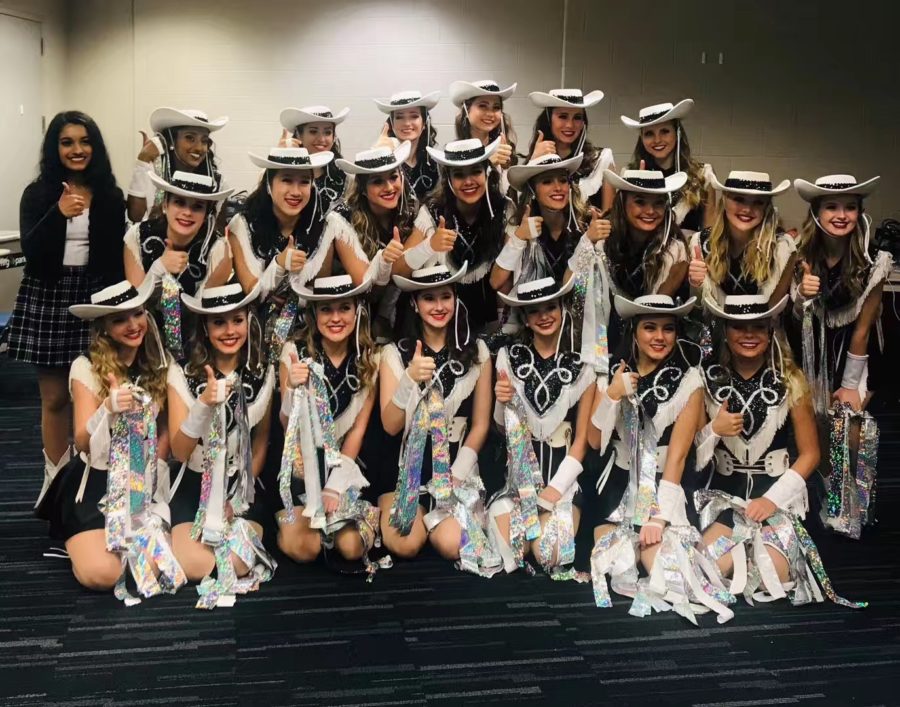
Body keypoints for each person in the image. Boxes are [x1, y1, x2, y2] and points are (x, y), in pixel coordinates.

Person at [693, 294, 864, 610]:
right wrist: (713, 430)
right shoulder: (707, 380)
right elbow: (693, 454)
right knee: (708, 571)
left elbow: (811, 454)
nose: (749, 336)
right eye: (739, 328)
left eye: (758, 327)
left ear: (771, 331)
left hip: (777, 503)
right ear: (726, 331)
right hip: (725, 500)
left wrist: (771, 499)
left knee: (774, 577)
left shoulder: (790, 380)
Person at [586, 294, 733, 621]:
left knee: (665, 574)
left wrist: (658, 517)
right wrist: (612, 395)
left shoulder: (689, 379)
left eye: (668, 329)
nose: (659, 337)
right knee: (614, 565)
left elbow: (680, 456)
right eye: (649, 327)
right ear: (634, 331)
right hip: (620, 489)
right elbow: (594, 440)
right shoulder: (612, 372)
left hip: (664, 488)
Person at [36, 280, 185, 601]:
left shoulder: (162, 364)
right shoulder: (86, 367)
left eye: (138, 314)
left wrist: (153, 474)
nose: (133, 325)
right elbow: (83, 441)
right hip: (96, 480)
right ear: (103, 327)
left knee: (150, 568)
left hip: (142, 484)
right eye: (120, 319)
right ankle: (78, 542)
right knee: (103, 576)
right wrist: (107, 410)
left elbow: (165, 430)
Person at [9, 111, 126, 506]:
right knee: (56, 398)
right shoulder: (37, 194)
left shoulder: (110, 195)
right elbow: (34, 253)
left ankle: (90, 475)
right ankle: (55, 478)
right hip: (50, 293)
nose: (77, 149)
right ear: (55, 148)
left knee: (94, 393)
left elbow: (114, 255)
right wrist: (59, 214)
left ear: (95, 146)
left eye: (84, 141)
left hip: (96, 296)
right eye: (67, 142)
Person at [377, 263, 499, 574]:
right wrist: (408, 380)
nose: (439, 306)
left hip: (458, 473)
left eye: (445, 296)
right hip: (410, 475)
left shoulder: (477, 351)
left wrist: (454, 479)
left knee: (451, 543)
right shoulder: (395, 353)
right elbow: (390, 425)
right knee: (405, 543)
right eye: (428, 298)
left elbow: (481, 424)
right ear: (415, 305)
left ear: (456, 300)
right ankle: (411, 516)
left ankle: (441, 521)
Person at [166, 283, 276, 608]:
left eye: (237, 320)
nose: (230, 331)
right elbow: (179, 452)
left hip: (241, 487)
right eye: (219, 322)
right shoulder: (182, 374)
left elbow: (260, 444)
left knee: (239, 559)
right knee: (191, 563)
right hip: (194, 484)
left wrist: (237, 499)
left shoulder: (262, 372)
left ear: (248, 321)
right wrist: (202, 405)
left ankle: (231, 563)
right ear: (205, 327)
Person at [791, 174, 889, 538]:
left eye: (850, 207)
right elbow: (796, 319)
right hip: (812, 356)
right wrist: (803, 294)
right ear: (816, 212)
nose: (841, 214)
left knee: (847, 429)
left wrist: (850, 386)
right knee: (814, 431)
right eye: (832, 206)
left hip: (856, 356)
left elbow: (863, 329)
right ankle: (823, 502)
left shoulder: (875, 262)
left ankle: (852, 509)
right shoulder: (801, 256)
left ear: (860, 212)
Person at [488, 277, 596, 576]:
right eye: (535, 310)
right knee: (512, 552)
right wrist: (501, 401)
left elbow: (582, 441)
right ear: (524, 317)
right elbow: (501, 429)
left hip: (562, 487)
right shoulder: (508, 358)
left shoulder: (582, 365)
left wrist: (554, 491)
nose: (544, 316)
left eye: (551, 307)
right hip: (517, 487)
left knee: (550, 555)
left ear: (563, 309)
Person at [276, 275, 383, 574]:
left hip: (344, 465)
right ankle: (296, 526)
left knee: (351, 548)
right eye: (326, 309)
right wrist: (292, 390)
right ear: (314, 314)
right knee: (305, 549)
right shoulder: (294, 352)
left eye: (344, 308)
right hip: (301, 465)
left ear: (357, 311)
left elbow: (357, 430)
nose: (336, 318)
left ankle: (335, 525)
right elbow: (287, 426)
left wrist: (335, 487)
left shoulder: (369, 359)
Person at [394, 138, 511, 334]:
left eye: (475, 171)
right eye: (459, 175)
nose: (468, 182)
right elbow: (398, 272)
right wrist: (429, 246)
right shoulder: (433, 210)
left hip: (489, 317)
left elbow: (507, 278)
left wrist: (502, 327)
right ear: (448, 179)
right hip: (440, 316)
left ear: (487, 173)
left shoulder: (503, 209)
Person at [228, 146, 334, 361]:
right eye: (286, 180)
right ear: (269, 184)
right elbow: (252, 293)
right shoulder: (243, 224)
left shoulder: (323, 226)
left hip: (308, 341)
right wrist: (278, 264)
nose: (296, 191)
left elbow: (321, 291)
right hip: (252, 342)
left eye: (304, 181)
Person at [123, 171, 234, 356]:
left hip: (195, 346)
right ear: (165, 204)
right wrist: (159, 268)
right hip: (143, 343)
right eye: (179, 202)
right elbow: (135, 306)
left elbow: (200, 312)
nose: (187, 212)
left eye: (197, 206)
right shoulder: (137, 235)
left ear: (206, 213)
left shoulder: (218, 247)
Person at [325, 142, 413, 339]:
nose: (389, 187)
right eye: (377, 181)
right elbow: (366, 290)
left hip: (401, 312)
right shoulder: (341, 219)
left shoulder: (410, 211)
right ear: (363, 189)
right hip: (351, 316)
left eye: (393, 177)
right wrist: (384, 261)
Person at [492, 152, 610, 292]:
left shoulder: (587, 224)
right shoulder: (519, 226)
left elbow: (590, 288)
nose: (558, 188)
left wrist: (588, 241)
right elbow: (495, 282)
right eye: (547, 181)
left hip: (578, 310)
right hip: (536, 311)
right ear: (532, 189)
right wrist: (519, 238)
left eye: (563, 180)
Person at [687, 170, 795, 306]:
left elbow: (776, 310)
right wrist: (696, 283)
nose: (747, 209)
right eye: (739, 199)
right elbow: (699, 310)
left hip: (762, 326)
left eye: (758, 202)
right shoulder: (701, 242)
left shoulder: (781, 247)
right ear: (724, 201)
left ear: (767, 208)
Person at [621, 99, 714, 230]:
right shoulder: (630, 174)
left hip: (689, 250)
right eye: (649, 134)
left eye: (665, 131)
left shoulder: (702, 175)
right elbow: (623, 227)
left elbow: (710, 231)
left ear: (677, 134)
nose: (657, 140)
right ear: (641, 138)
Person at [126, 107, 228, 223]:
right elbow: (135, 216)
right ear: (171, 140)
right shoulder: (154, 173)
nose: (199, 148)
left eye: (204, 141)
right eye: (190, 138)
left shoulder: (217, 183)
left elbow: (219, 232)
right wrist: (143, 159)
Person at [526, 88, 615, 209]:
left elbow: (609, 216)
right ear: (548, 119)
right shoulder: (536, 157)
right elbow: (525, 209)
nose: (570, 125)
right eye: (563, 116)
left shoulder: (601, 159)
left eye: (577, 117)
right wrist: (533, 162)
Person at [280, 104, 351, 215]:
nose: (322, 139)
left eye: (327, 132)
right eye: (313, 131)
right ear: (299, 135)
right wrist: (279, 161)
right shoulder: (278, 174)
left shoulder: (344, 178)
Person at [449, 79, 517, 189]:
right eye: (482, 106)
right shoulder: (453, 154)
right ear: (467, 110)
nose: (490, 114)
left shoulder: (505, 151)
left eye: (496, 107)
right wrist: (489, 165)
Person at [374, 90, 441, 200]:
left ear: (424, 123)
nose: (407, 123)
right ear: (392, 123)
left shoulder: (434, 164)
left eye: (414, 116)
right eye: (399, 117)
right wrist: (379, 156)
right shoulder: (382, 159)